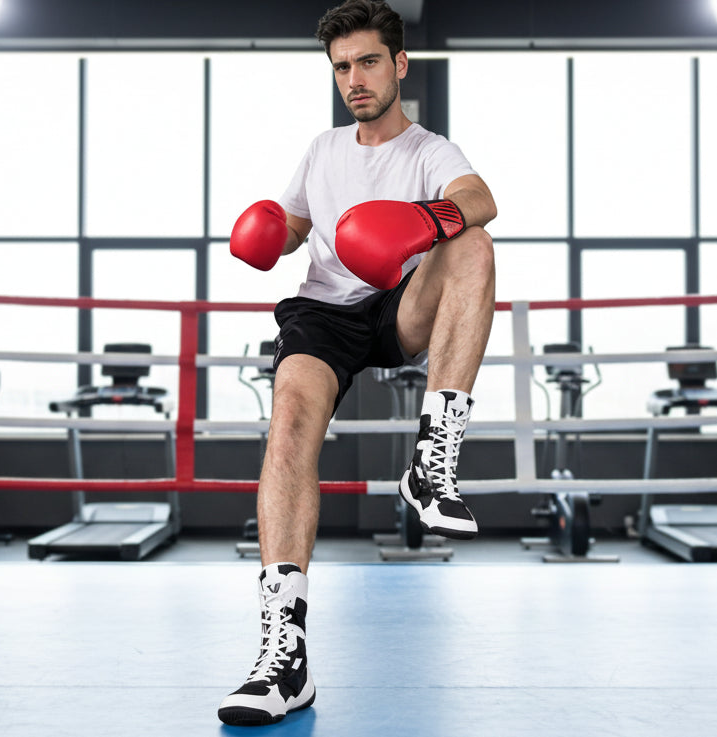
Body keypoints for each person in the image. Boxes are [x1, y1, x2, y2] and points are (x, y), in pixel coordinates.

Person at [217, 0, 496, 726]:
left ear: (399, 64)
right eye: (341, 66)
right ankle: (284, 654)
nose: (354, 79)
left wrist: (421, 220)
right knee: (288, 426)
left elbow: (478, 199)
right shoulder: (322, 148)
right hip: (323, 313)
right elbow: (294, 227)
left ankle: (435, 460)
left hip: (398, 299)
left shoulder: (429, 150)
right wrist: (268, 235)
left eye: (367, 61)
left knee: (470, 241)